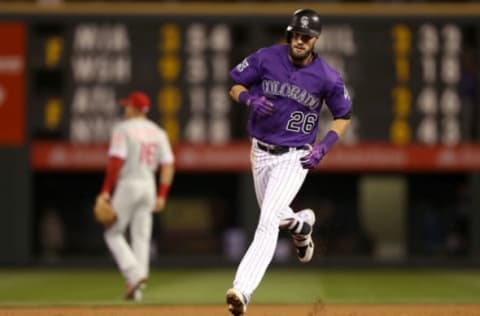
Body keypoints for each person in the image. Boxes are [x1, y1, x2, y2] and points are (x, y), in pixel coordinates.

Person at [225, 8, 352, 316]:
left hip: (295, 156)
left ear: (315, 40)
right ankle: (302, 224)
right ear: (289, 34)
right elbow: (235, 84)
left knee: (267, 223)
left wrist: (324, 146)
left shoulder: (326, 76)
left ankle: (242, 290)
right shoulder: (267, 57)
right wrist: (248, 99)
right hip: (260, 151)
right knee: (278, 215)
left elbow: (343, 115)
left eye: (306, 36)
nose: (299, 40)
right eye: (296, 34)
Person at [97, 91, 175, 301]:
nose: (125, 109)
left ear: (133, 108)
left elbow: (115, 161)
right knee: (141, 237)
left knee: (112, 233)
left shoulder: (123, 129)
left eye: (127, 106)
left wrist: (105, 191)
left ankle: (133, 274)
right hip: (149, 184)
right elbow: (168, 165)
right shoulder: (158, 132)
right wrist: (162, 195)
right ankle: (137, 291)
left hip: (129, 183)